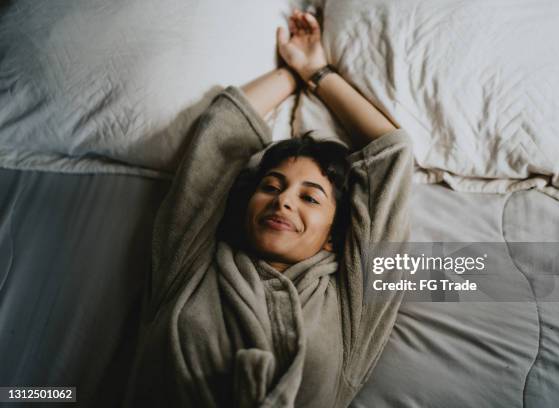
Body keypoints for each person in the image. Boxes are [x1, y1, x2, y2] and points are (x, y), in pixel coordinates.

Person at [124, 9, 413, 408]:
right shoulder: (189, 264)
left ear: (332, 235)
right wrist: (289, 74)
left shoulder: (350, 305)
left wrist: (318, 72)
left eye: (310, 197)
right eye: (271, 187)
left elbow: (392, 155)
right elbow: (222, 126)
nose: (283, 200)